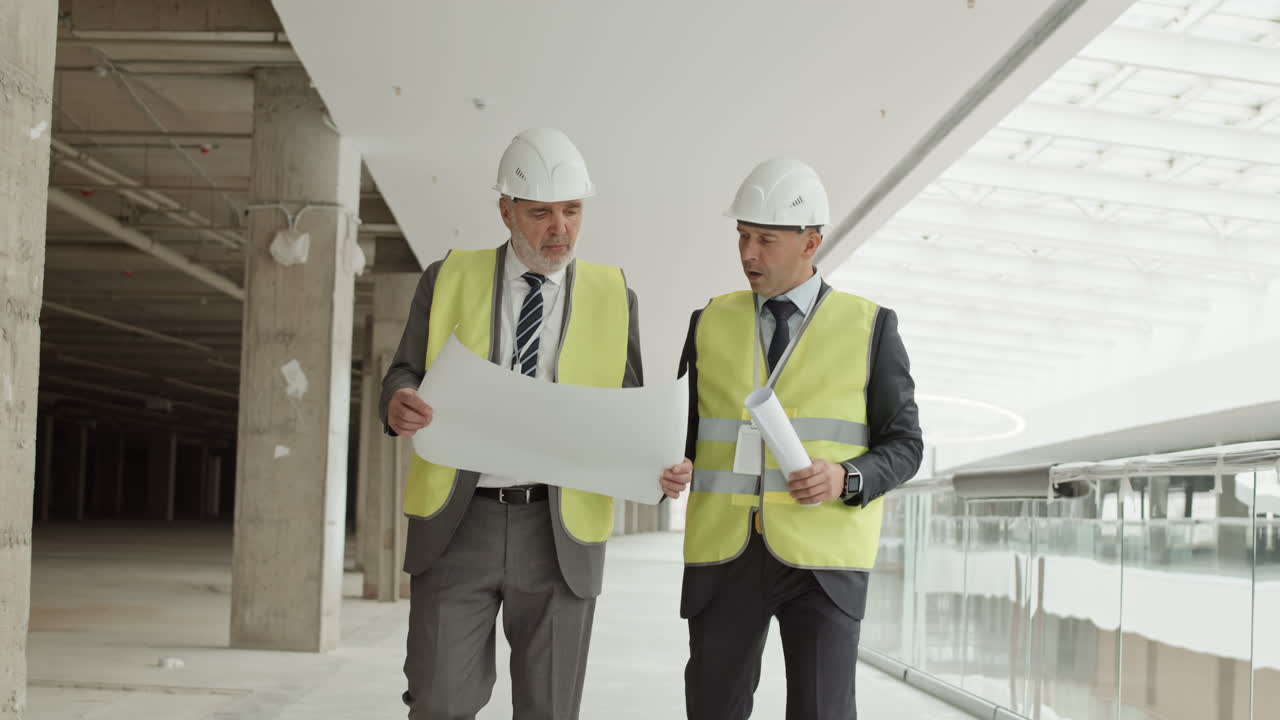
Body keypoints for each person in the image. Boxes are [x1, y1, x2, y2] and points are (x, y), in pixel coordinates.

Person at [381, 127, 689, 720]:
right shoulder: (447, 276)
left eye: (572, 211)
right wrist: (399, 400)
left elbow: (627, 411)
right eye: (541, 213)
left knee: (549, 709)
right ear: (507, 212)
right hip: (459, 521)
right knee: (438, 700)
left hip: (559, 530)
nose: (560, 229)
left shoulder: (614, 294)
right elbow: (404, 371)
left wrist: (659, 465)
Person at [659, 157, 924, 719]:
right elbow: (681, 433)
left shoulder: (870, 327)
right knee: (712, 709)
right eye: (743, 236)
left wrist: (846, 477)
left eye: (766, 240)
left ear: (810, 243)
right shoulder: (708, 321)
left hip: (822, 560)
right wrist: (668, 464)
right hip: (725, 554)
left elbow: (905, 446)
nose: (748, 253)